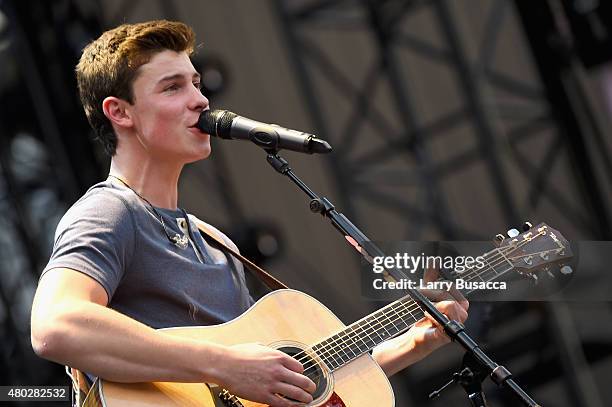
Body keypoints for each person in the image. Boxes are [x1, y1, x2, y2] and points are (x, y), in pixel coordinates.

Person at [30, 20, 468, 407]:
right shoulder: (110, 211)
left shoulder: (213, 241)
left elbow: (286, 379)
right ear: (119, 112)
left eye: (196, 83)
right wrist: (223, 364)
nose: (200, 100)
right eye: (172, 87)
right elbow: (56, 325)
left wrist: (413, 342)